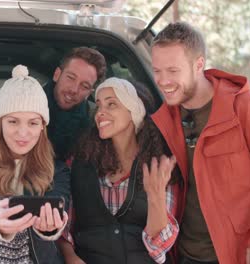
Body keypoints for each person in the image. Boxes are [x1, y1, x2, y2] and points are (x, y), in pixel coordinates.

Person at [151, 22, 250, 264]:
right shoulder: (166, 119)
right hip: (185, 256)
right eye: (157, 70)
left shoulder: (244, 108)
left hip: (238, 256)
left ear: (198, 65)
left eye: (173, 70)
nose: (163, 81)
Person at [58, 77, 180, 264]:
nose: (100, 113)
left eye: (111, 105)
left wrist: (156, 197)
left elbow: (158, 249)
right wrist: (71, 258)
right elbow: (62, 228)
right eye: (98, 106)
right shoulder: (78, 164)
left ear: (134, 111)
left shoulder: (160, 165)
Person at [0, 65, 70, 264]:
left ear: (43, 127)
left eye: (33, 123)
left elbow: (59, 206)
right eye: (13, 122)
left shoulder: (58, 170)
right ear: (0, 123)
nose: (23, 133)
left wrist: (50, 226)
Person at [44, 47, 107, 160]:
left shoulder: (95, 121)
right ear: (57, 74)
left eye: (84, 86)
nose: (74, 90)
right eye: (71, 78)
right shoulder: (25, 106)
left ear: (89, 93)